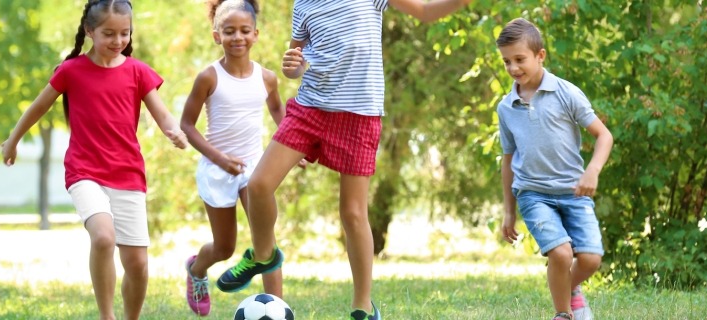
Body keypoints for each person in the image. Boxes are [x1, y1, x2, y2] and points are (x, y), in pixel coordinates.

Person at [214, 1, 472, 319]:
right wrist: (291, 65)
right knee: (259, 185)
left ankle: (362, 306)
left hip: (359, 116)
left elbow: (425, 11)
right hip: (311, 107)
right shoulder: (304, 4)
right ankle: (264, 255)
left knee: (352, 213)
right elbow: (295, 64)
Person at [0, 1, 188, 319]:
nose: (118, 41)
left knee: (138, 266)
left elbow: (163, 114)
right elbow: (38, 106)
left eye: (124, 33)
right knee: (103, 236)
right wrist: (13, 140)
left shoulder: (138, 72)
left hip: (128, 174)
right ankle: (107, 316)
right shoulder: (71, 70)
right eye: (109, 34)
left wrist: (174, 132)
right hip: (84, 171)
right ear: (90, 31)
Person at [496, 18, 613, 320]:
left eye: (519, 59)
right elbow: (508, 161)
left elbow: (604, 136)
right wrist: (509, 212)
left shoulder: (566, 93)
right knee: (560, 254)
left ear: (540, 55)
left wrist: (593, 171)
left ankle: (567, 287)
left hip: (574, 191)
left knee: (590, 260)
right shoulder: (506, 107)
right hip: (533, 194)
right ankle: (563, 314)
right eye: (507, 61)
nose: (513, 68)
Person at [178, 0, 287, 316]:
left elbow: (278, 110)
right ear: (216, 35)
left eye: (244, 31)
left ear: (256, 34)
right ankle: (197, 270)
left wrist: (293, 144)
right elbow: (187, 125)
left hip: (254, 168)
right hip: (217, 169)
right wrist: (220, 158)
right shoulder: (209, 77)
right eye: (229, 31)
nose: (237, 37)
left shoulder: (267, 78)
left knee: (265, 242)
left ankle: (278, 309)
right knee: (224, 247)